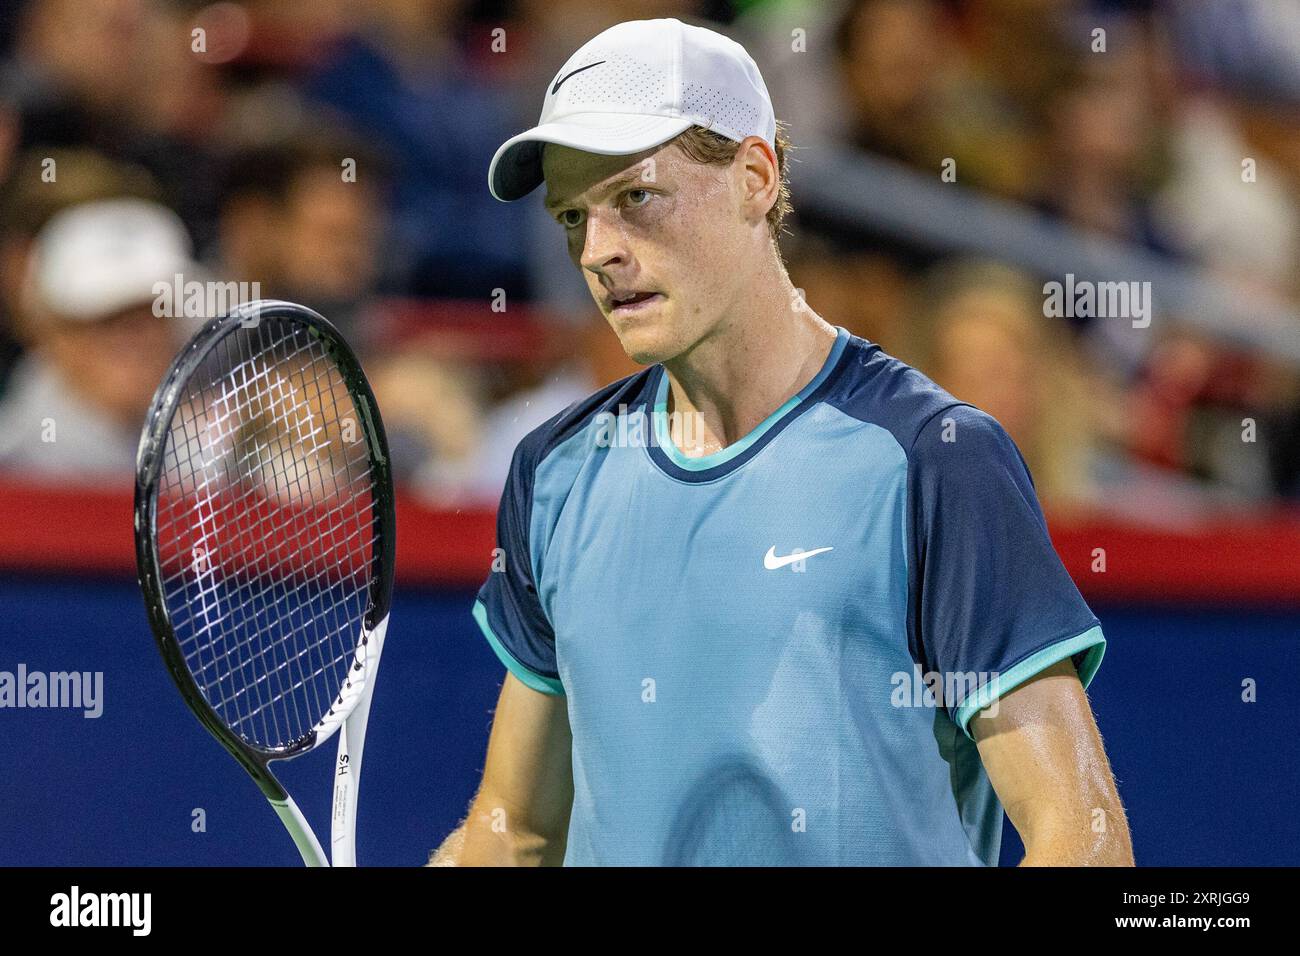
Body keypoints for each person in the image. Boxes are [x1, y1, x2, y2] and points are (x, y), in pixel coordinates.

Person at [431, 17, 1132, 866]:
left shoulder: (934, 458)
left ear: (756, 176)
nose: (601, 251)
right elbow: (516, 829)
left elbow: (1081, 839)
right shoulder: (554, 474)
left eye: (636, 199)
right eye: (574, 216)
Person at [0, 197, 192, 479]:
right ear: (50, 332)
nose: (137, 339)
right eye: (107, 319)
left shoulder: (212, 458)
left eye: (156, 312)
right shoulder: (12, 467)